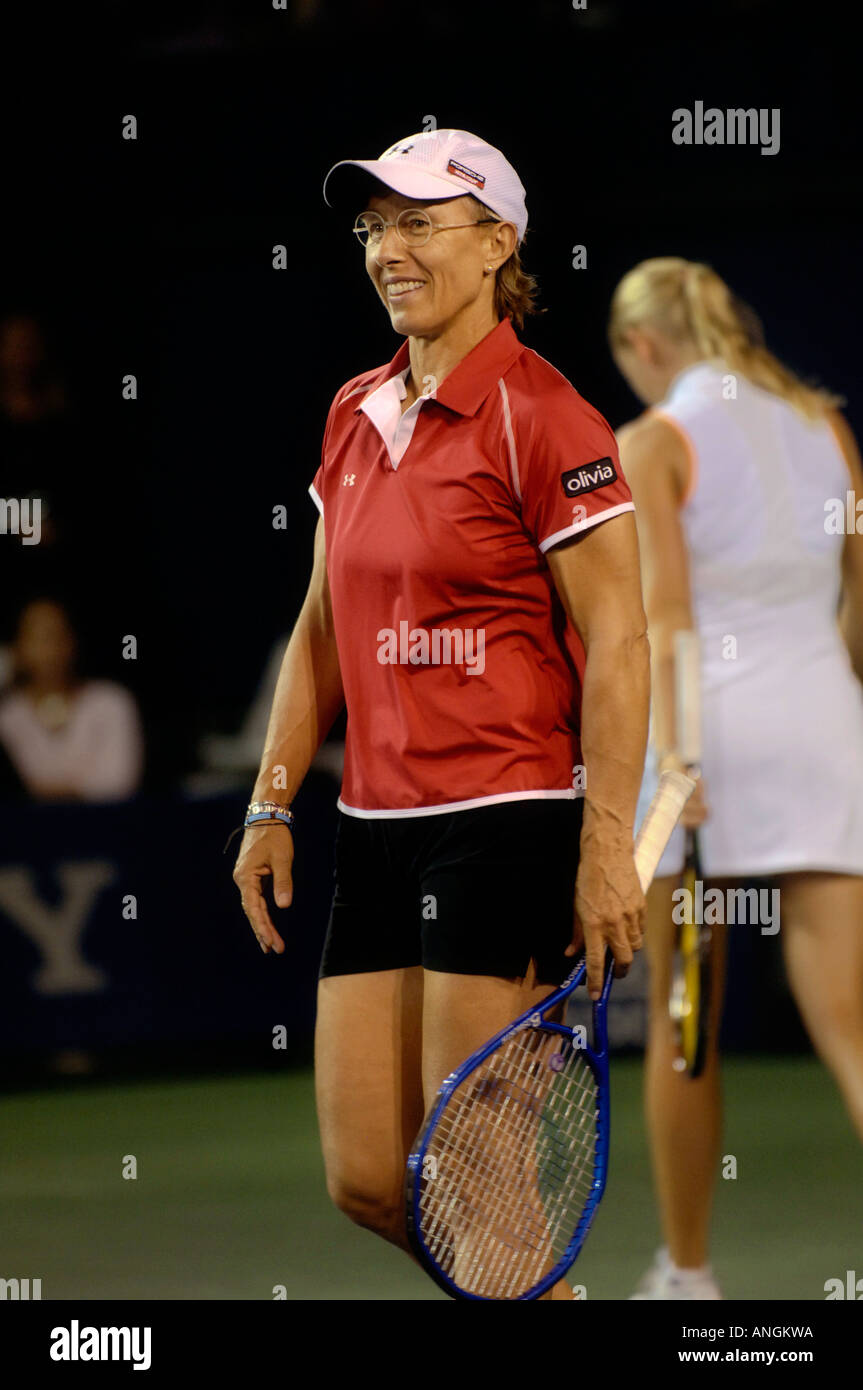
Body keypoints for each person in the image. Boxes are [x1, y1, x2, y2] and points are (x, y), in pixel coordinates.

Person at [232, 129, 650, 1300]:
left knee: (477, 1173)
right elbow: (319, 622)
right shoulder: (351, 409)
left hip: (510, 817)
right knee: (372, 1176)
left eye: (419, 221)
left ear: (497, 241)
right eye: (374, 226)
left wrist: (604, 834)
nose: (387, 248)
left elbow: (619, 641)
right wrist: (271, 801)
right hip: (373, 826)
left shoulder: (544, 416)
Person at [609, 256, 863, 1299]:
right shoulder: (826, 427)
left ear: (640, 347)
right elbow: (853, 603)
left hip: (705, 742)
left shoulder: (650, 441)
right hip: (822, 726)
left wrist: (675, 757)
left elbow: (665, 619)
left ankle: (687, 1271)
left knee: (681, 1020)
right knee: (849, 1027)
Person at [0, 596, 144, 802]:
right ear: (17, 647)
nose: (49, 651)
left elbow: (117, 783)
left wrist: (47, 794)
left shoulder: (110, 701)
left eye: (56, 636)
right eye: (37, 638)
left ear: (73, 641)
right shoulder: (7, 714)